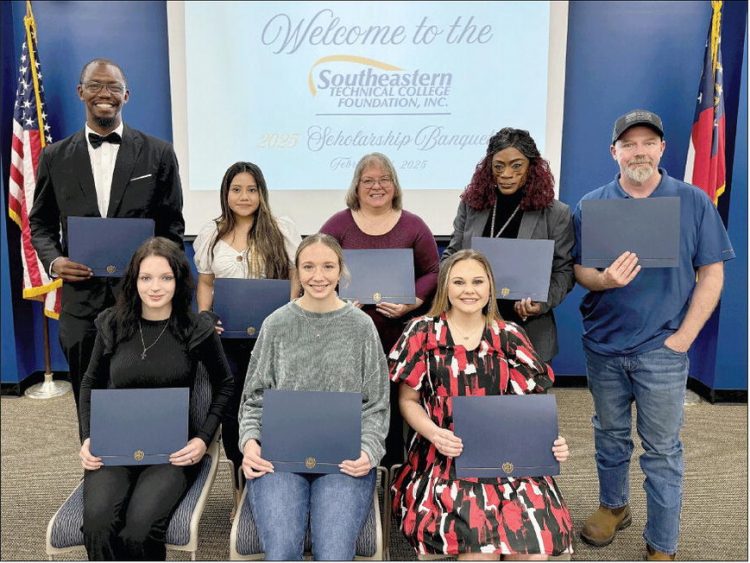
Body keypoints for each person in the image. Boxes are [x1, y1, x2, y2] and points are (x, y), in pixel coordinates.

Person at [572, 110, 734, 560]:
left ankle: (662, 544)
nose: (638, 151)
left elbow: (712, 273)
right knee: (609, 434)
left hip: (662, 349)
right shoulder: (592, 204)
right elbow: (581, 269)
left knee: (662, 451)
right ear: (614, 152)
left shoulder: (694, 202)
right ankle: (613, 506)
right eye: (629, 144)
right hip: (603, 345)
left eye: (648, 142)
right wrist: (603, 281)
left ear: (662, 149)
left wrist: (683, 338)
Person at [29, 58, 185, 432]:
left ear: (126, 96)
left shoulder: (158, 153)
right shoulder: (53, 157)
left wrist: (153, 274)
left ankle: (147, 468)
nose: (105, 94)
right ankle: (95, 467)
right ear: (80, 92)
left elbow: (172, 227)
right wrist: (54, 262)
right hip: (81, 305)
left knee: (142, 390)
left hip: (141, 300)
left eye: (113, 87)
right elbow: (40, 223)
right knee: (89, 392)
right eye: (96, 86)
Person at [390, 249, 574, 559]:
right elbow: (408, 401)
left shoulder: (510, 335)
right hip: (445, 454)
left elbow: (531, 406)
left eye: (478, 281)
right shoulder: (421, 332)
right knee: (479, 552)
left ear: (490, 287)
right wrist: (434, 433)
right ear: (445, 286)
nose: (469, 290)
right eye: (459, 282)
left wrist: (551, 442)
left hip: (508, 455)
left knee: (531, 552)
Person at [77, 237, 233, 560]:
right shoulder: (111, 323)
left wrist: (203, 440)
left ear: (179, 280)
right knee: (98, 525)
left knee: (139, 530)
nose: (155, 287)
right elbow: (89, 382)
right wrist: (87, 438)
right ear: (134, 281)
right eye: (146, 278)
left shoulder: (196, 328)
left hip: (172, 452)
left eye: (165, 278)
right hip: (114, 446)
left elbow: (225, 385)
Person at [238, 233, 389, 560]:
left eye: (327, 266)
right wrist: (250, 445)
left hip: (345, 460)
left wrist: (368, 450)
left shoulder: (362, 327)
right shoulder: (276, 324)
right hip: (279, 459)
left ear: (341, 271)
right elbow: (253, 400)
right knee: (280, 551)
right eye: (308, 266)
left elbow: (377, 405)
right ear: (297, 271)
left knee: (334, 553)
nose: (318, 276)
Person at [321, 152, 439, 466]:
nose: (377, 186)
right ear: (356, 187)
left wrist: (412, 301)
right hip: (347, 337)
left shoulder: (414, 225)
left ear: (395, 185)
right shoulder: (338, 224)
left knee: (393, 404)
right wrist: (338, 300)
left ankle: (393, 474)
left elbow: (434, 271)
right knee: (350, 402)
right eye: (368, 180)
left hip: (397, 335)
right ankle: (347, 466)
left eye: (384, 179)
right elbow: (318, 267)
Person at [193, 161, 301, 489]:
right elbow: (206, 283)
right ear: (226, 193)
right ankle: (242, 488)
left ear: (261, 193)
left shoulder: (280, 229)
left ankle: (276, 483)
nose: (244, 196)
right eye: (236, 189)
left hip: (273, 336)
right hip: (229, 338)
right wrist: (205, 317)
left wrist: (292, 307)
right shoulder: (212, 233)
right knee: (233, 408)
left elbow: (296, 274)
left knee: (272, 405)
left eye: (251, 190)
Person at [442, 128, 574, 363]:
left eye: (516, 166)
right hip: (470, 323)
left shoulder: (555, 213)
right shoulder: (471, 206)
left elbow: (564, 272)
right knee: (472, 396)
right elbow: (451, 255)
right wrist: (456, 288)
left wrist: (541, 303)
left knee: (526, 399)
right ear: (488, 168)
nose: (506, 174)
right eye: (498, 166)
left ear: (531, 168)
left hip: (528, 327)